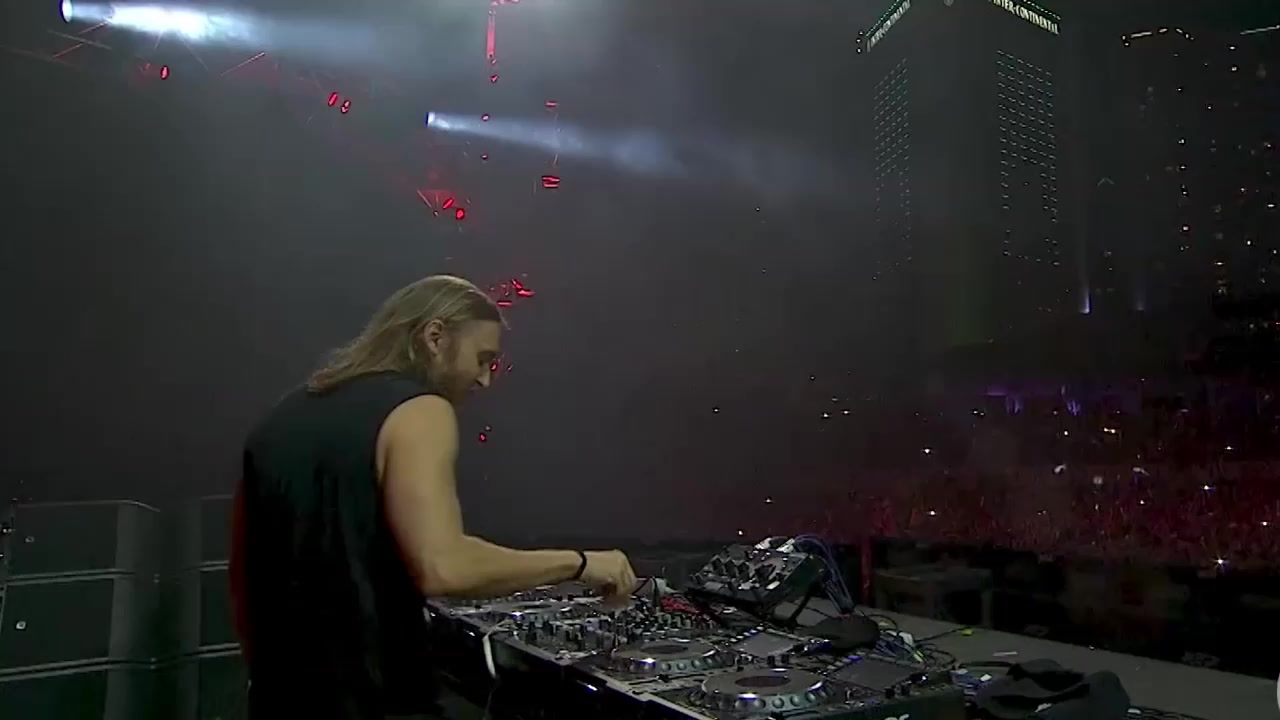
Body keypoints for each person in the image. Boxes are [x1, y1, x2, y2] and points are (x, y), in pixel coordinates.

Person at [228, 275, 639, 719]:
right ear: (435, 337)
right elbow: (443, 567)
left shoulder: (285, 415)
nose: (484, 379)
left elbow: (243, 578)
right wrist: (581, 563)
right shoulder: (421, 410)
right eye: (483, 359)